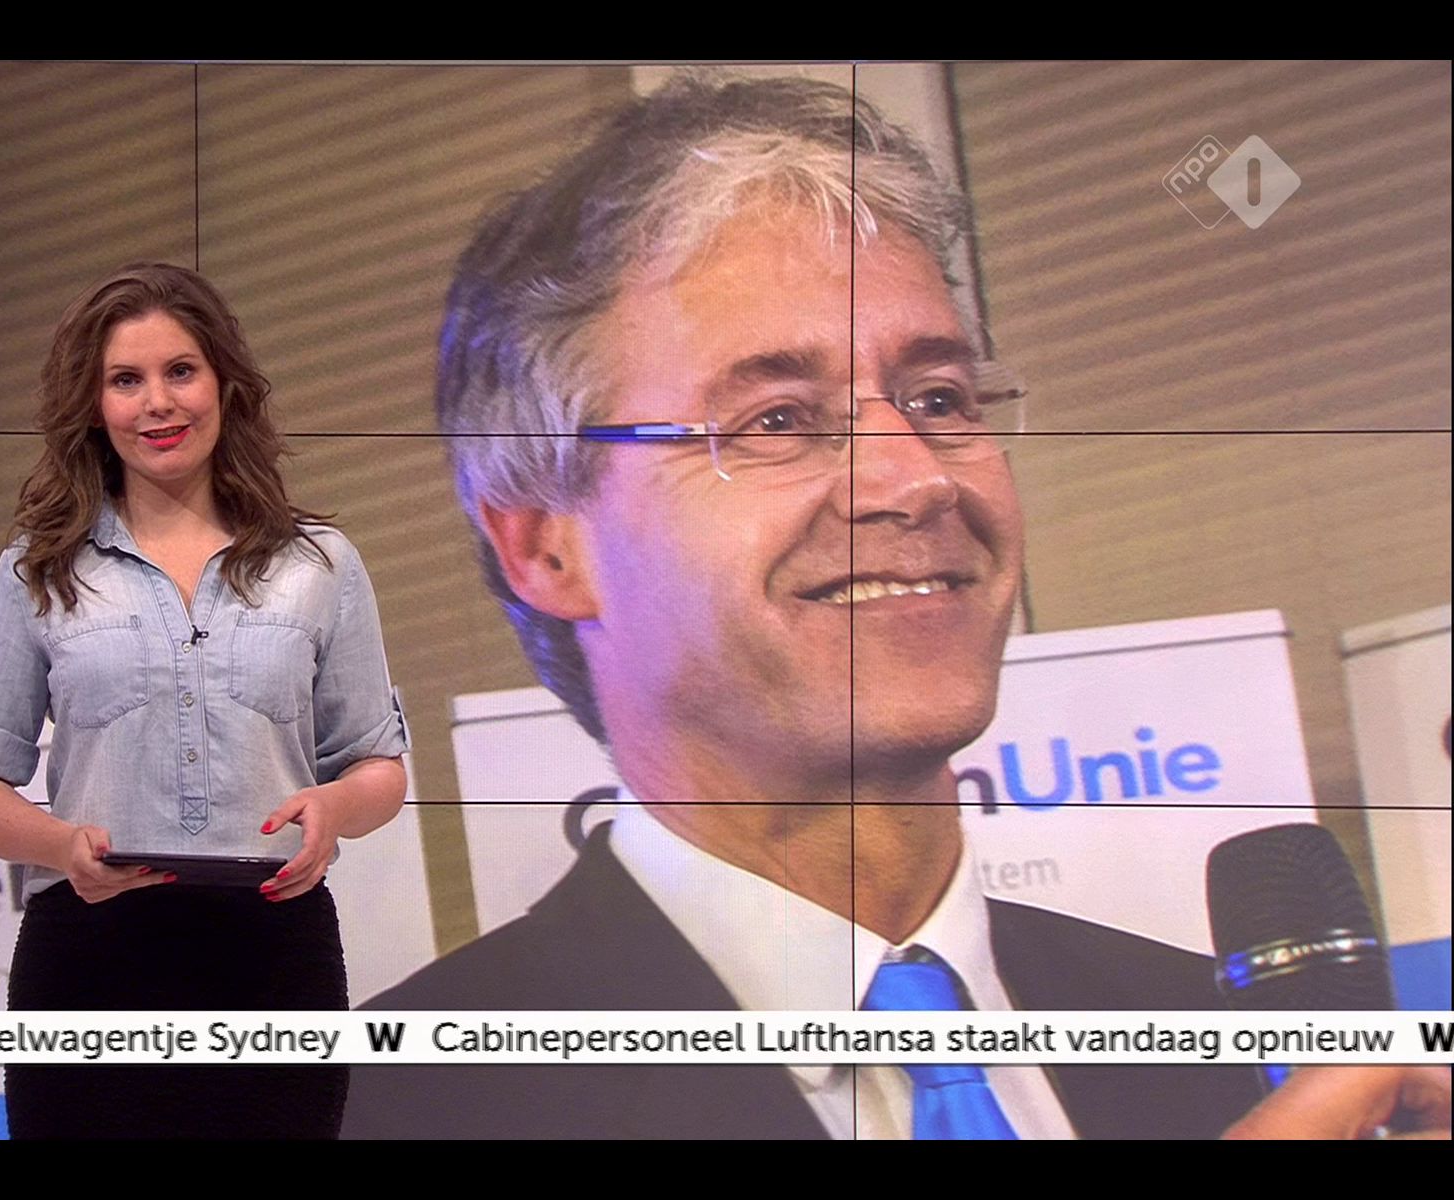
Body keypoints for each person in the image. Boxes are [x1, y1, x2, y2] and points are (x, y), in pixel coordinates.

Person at [343, 76, 1448, 1140]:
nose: (915, 478)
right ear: (546, 546)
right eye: (778, 420)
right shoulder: (379, 1108)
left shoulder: (1242, 1060)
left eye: (939, 398)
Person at [0, 263, 410, 1139]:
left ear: (224, 384)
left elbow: (378, 767)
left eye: (180, 371)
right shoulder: (36, 571)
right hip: (92, 960)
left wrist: (335, 809)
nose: (158, 403)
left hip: (273, 957)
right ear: (93, 405)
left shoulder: (319, 565)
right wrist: (59, 844)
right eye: (126, 379)